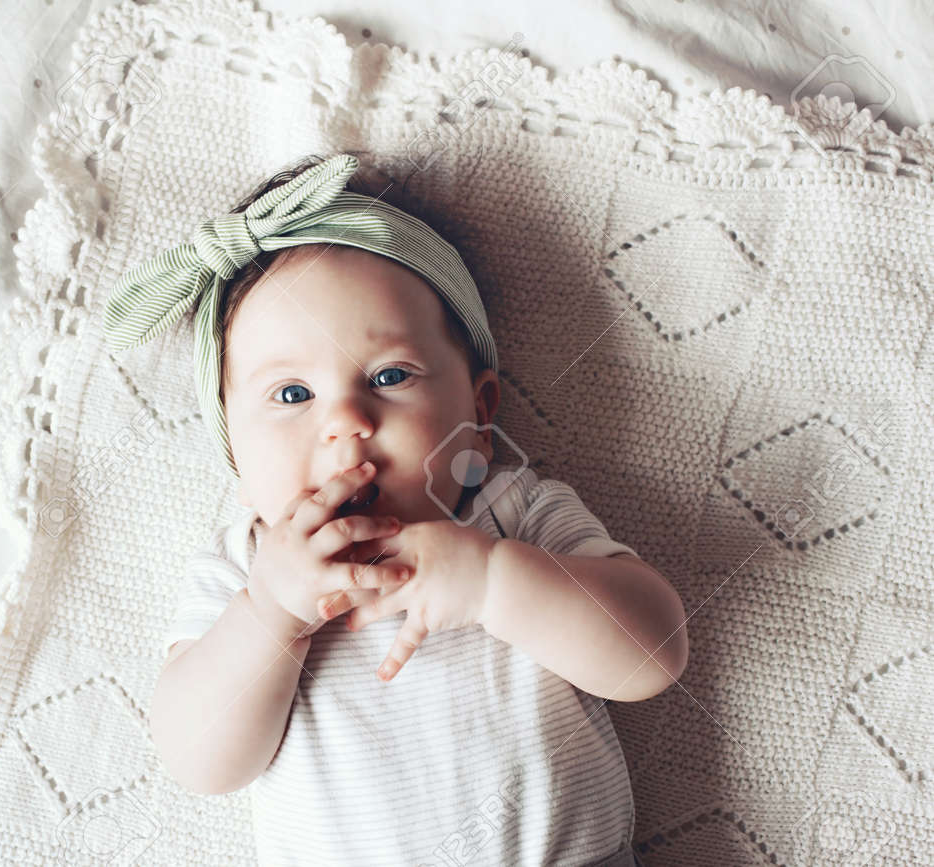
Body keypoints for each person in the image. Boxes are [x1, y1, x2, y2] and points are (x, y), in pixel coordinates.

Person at [105, 153, 686, 866]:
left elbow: (654, 653)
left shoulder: (511, 515)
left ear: (479, 414)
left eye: (389, 376)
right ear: (235, 457)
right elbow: (199, 761)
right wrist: (271, 613)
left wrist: (494, 581)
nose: (346, 419)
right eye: (291, 394)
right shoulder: (245, 573)